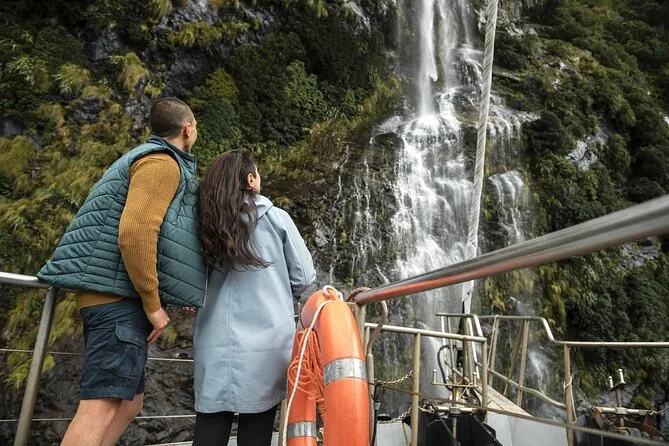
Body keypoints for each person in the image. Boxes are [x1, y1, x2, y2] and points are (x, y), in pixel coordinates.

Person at [36, 97, 206, 446]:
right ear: (187, 129)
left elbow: (165, 238)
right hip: (117, 303)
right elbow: (136, 233)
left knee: (129, 404)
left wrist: (175, 292)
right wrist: (153, 305)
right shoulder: (162, 163)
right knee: (99, 409)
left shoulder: (145, 158)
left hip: (114, 298)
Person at [193, 150, 315, 446]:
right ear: (250, 179)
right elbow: (303, 277)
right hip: (266, 347)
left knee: (209, 430)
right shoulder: (275, 218)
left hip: (214, 343)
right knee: (256, 434)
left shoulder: (202, 223)